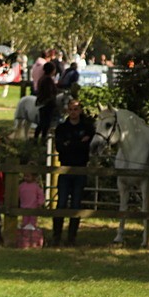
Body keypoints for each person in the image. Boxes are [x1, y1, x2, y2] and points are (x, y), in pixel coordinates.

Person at [51, 99, 95, 246]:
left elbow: (87, 147)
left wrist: (71, 144)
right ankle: (56, 236)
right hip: (65, 169)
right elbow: (60, 148)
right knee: (61, 203)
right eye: (70, 109)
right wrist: (79, 143)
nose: (73, 112)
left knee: (76, 204)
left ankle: (72, 237)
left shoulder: (87, 128)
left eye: (76, 109)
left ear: (80, 110)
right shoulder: (62, 128)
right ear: (67, 111)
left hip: (81, 169)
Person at [17, 170, 45, 249]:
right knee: (24, 223)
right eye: (25, 176)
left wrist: (40, 203)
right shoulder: (21, 186)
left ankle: (32, 240)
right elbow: (18, 194)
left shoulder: (36, 186)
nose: (26, 178)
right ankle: (25, 240)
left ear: (34, 177)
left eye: (28, 176)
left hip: (33, 207)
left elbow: (40, 195)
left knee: (33, 223)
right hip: (24, 207)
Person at [33, 63, 58, 143]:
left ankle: (36, 138)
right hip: (47, 104)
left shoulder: (42, 78)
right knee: (45, 123)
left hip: (41, 102)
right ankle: (42, 139)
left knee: (42, 123)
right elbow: (50, 92)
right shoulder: (48, 80)